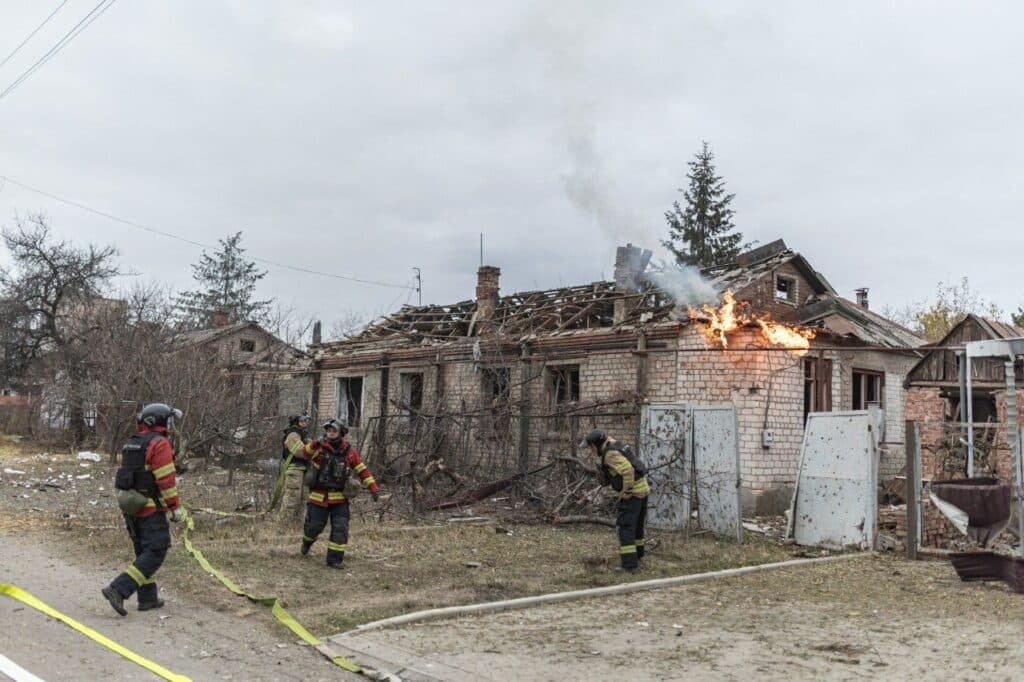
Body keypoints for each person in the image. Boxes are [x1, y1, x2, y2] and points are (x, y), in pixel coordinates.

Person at [102, 403, 184, 616]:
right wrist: (175, 508)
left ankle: (148, 598)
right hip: (150, 509)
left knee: (143, 551)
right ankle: (119, 589)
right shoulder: (160, 444)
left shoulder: (133, 442)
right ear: (159, 421)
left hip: (130, 507)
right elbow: (165, 479)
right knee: (156, 550)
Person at [301, 419, 380, 568]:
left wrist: (373, 488)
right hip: (319, 497)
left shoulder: (349, 452)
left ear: (341, 433)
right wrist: (314, 444)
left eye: (334, 431)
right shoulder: (319, 447)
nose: (330, 433)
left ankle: (334, 560)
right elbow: (305, 454)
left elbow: (362, 470)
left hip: (340, 499)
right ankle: (307, 541)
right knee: (314, 526)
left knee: (341, 528)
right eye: (328, 430)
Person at [580, 428, 650, 571]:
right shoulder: (614, 443)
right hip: (643, 489)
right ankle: (638, 558)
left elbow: (628, 470)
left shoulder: (610, 454)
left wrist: (626, 492)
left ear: (596, 444)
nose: (591, 450)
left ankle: (630, 566)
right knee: (636, 528)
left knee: (625, 528)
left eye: (591, 447)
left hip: (634, 493)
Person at [277, 413, 311, 517]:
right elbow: (300, 452)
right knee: (293, 496)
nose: (304, 423)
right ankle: (285, 521)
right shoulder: (293, 435)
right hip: (295, 469)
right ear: (296, 422)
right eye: (302, 421)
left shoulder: (303, 434)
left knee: (306, 497)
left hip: (304, 468)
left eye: (305, 421)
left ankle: (299, 521)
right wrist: (313, 450)